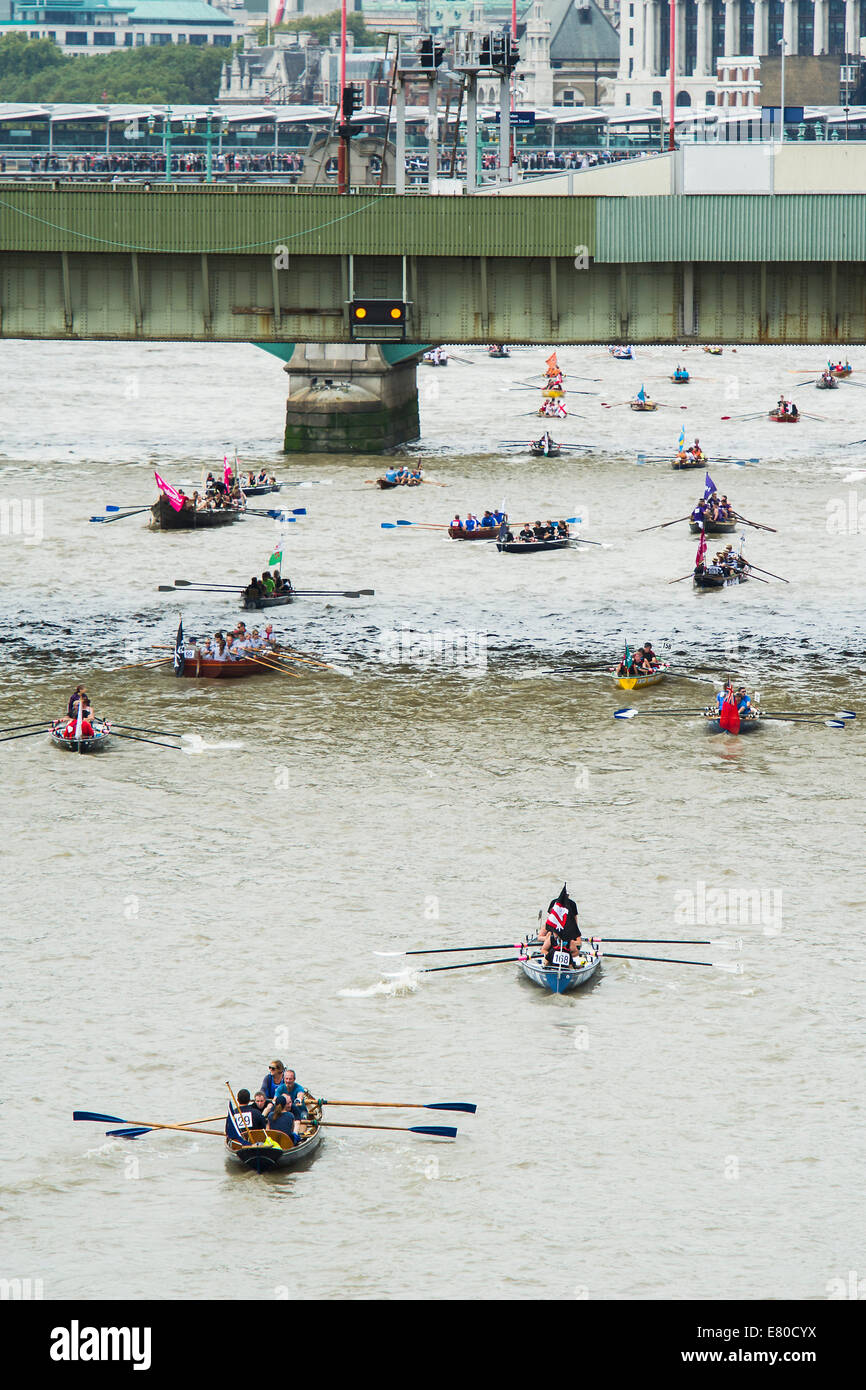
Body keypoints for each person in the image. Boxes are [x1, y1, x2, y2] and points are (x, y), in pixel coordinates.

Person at [538, 886, 582, 964]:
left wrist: (568, 942)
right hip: (551, 952)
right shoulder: (549, 926)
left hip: (567, 953)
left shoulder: (571, 929)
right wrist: (548, 939)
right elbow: (539, 938)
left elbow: (579, 943)